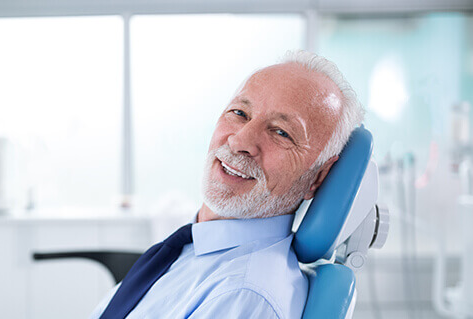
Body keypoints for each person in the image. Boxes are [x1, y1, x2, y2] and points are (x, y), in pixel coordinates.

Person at [90, 50, 364, 319]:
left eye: (281, 132)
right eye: (240, 113)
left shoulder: (243, 295)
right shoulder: (192, 248)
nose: (240, 141)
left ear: (317, 177)